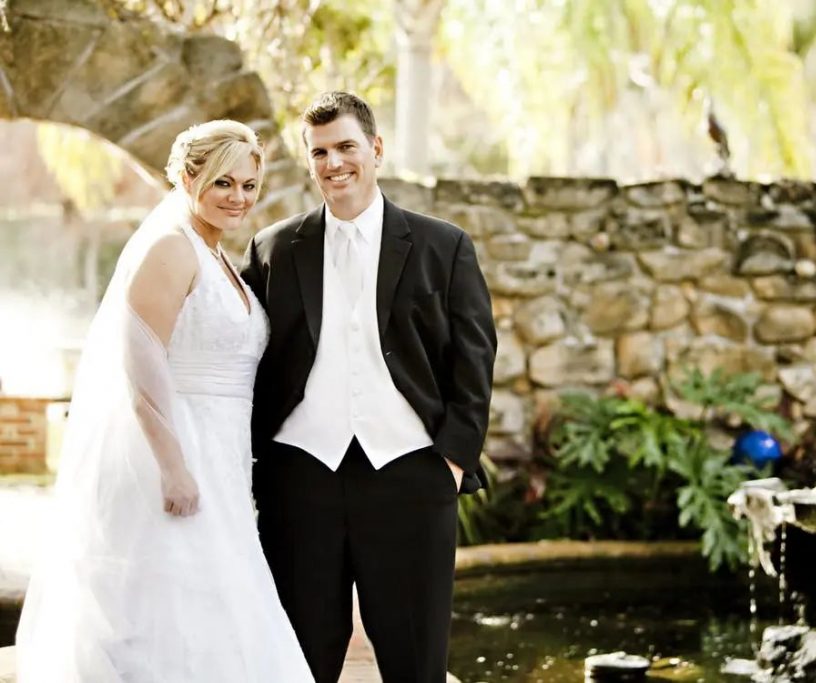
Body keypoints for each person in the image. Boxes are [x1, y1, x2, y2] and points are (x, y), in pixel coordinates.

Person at [15, 120, 314, 683]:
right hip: (177, 452)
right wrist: (174, 467)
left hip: (223, 457)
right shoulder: (172, 249)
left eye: (249, 185)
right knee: (176, 603)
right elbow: (140, 359)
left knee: (223, 597)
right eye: (223, 182)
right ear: (185, 177)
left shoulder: (222, 259)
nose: (239, 197)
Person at [240, 91, 497, 683]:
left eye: (347, 147)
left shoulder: (444, 245)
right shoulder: (274, 247)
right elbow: (246, 359)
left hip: (411, 474)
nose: (334, 163)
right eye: (320, 152)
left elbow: (475, 358)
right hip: (301, 477)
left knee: (415, 658)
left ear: (376, 150)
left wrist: (452, 461)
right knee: (300, 660)